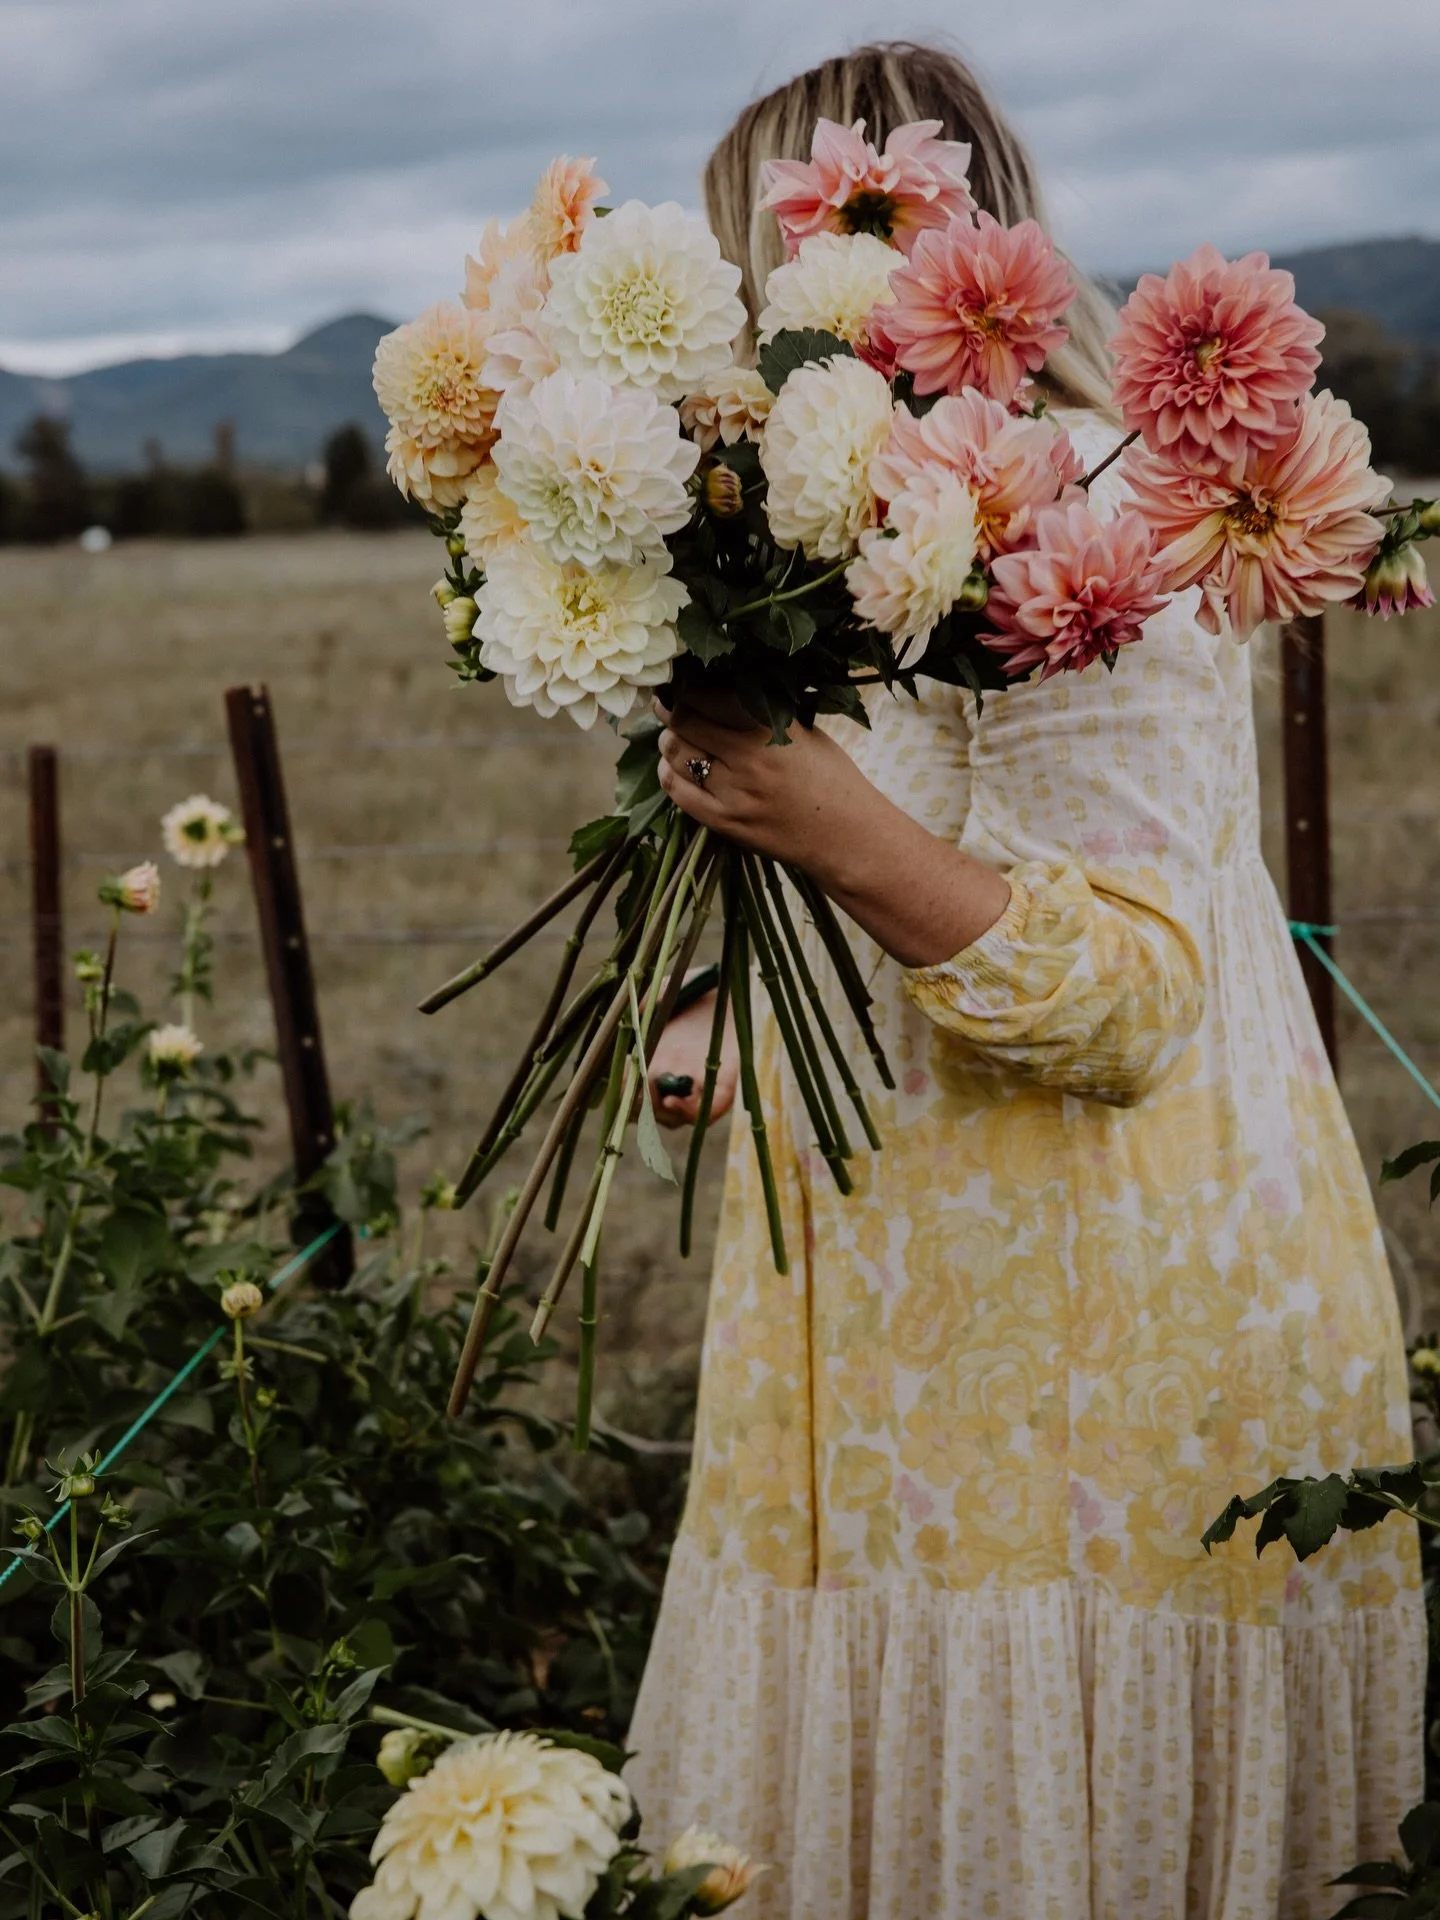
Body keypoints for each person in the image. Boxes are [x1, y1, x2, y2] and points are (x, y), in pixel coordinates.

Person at [627, 39, 1424, 1920]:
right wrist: (727, 987)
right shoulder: (833, 550)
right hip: (900, 1347)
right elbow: (875, 844)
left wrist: (822, 825)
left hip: (1089, 1370)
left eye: (787, 268)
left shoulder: (1077, 521)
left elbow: (1128, 1001)